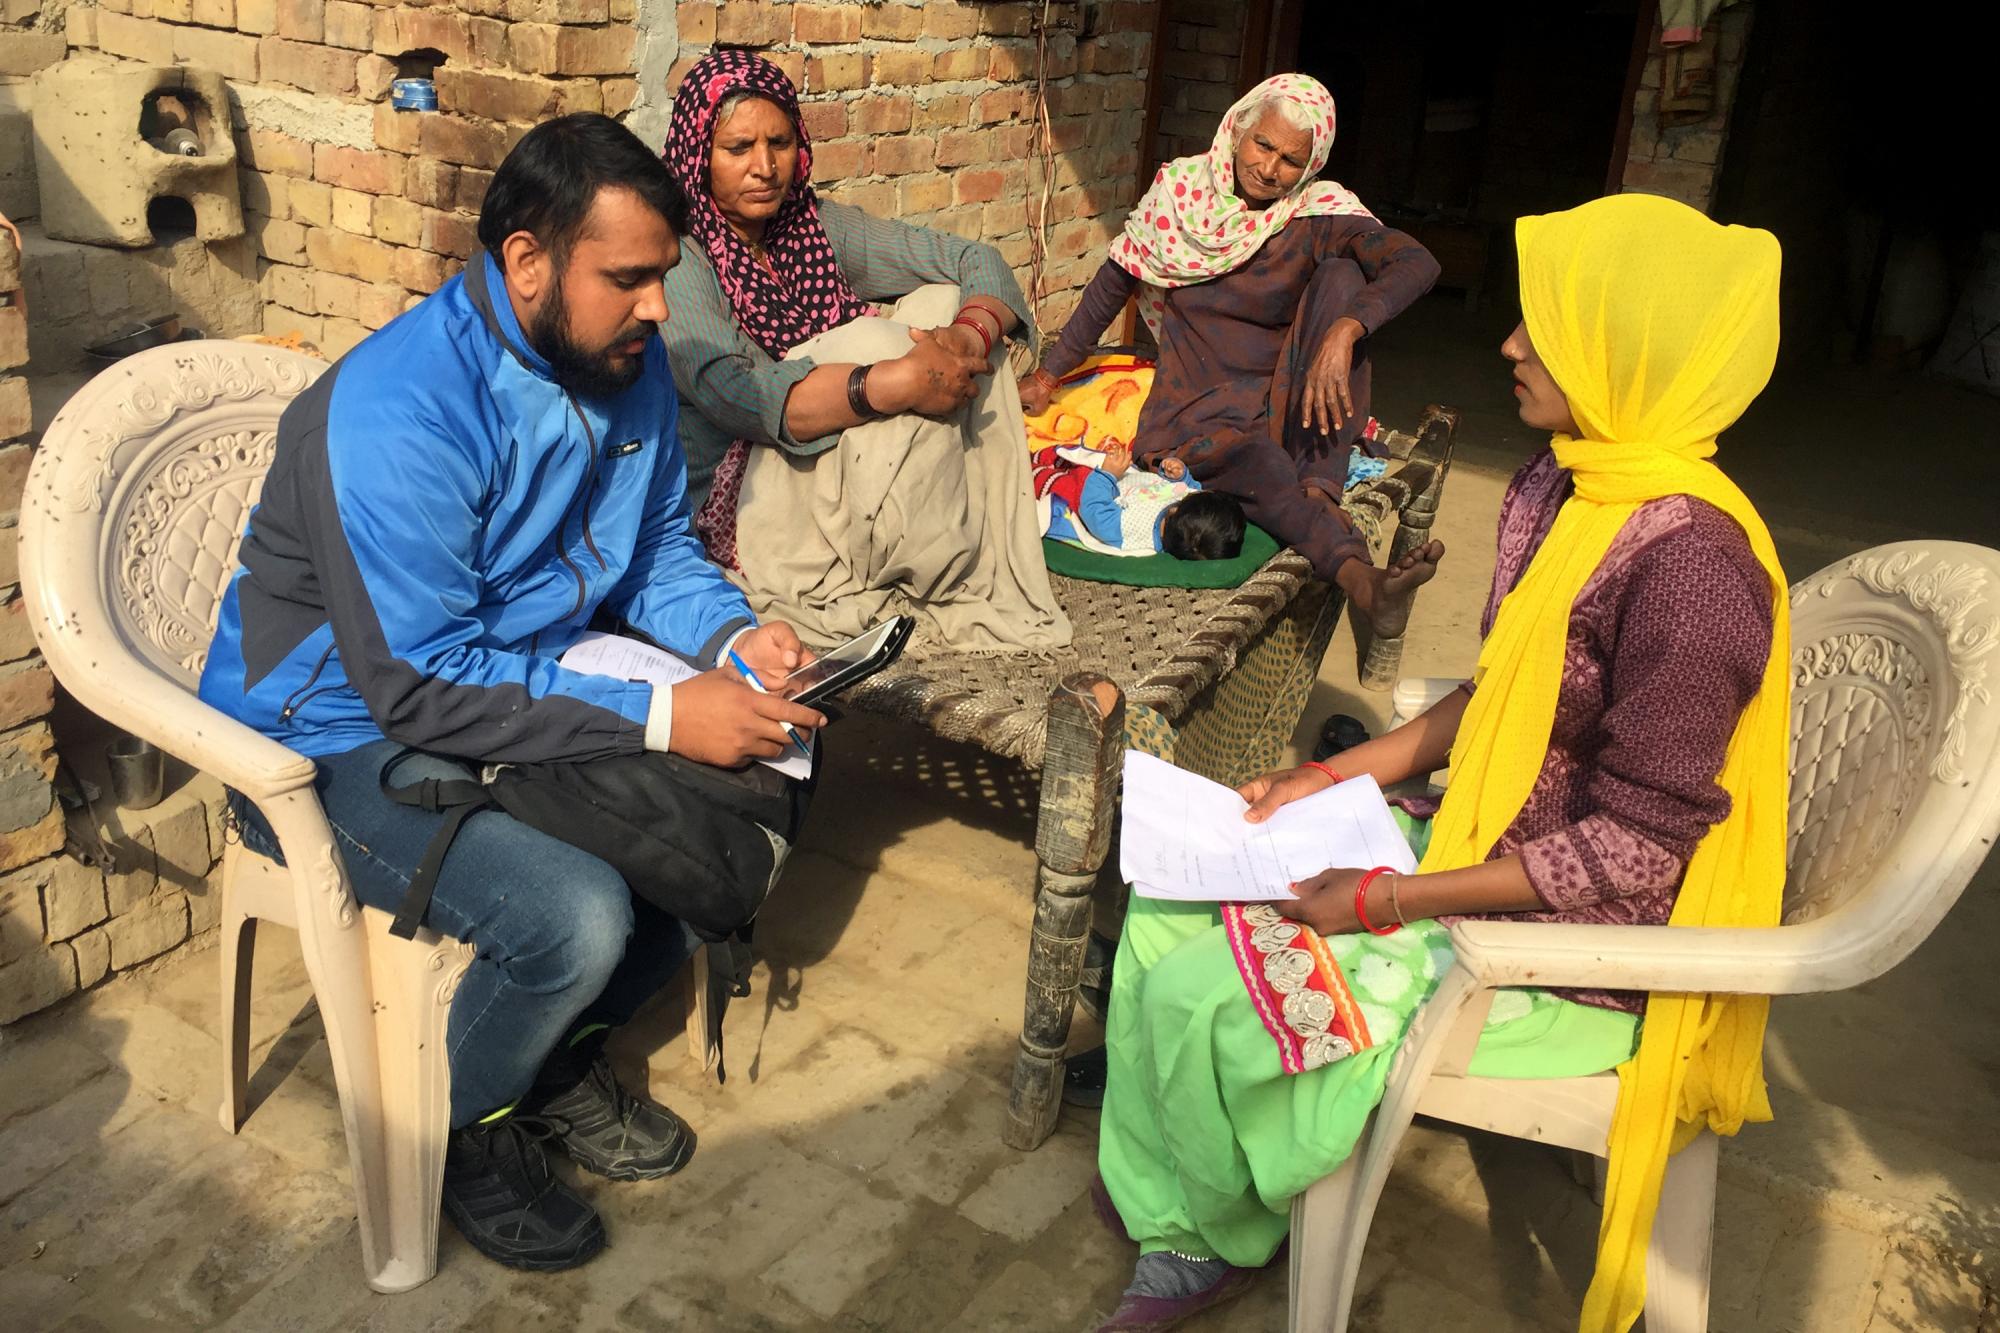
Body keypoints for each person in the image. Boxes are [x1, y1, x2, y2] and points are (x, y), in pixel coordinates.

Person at [1088, 192, 1791, 1331]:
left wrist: (1382, 897)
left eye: (1541, 330)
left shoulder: (1694, 577)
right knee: (1168, 907)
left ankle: (1206, 1235)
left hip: (1573, 949)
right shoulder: (1572, 483)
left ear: (1627, 351)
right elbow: (1498, 699)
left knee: (1210, 988)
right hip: (1478, 833)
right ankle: (1183, 1194)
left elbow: (1632, 850)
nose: (1507, 344)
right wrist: (1323, 780)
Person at [198, 114, 829, 1273]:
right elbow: (422, 683)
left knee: (725, 832)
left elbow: (650, 557)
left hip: (521, 684)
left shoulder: (626, 366)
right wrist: (659, 712)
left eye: (662, 279)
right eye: (627, 279)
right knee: (573, 914)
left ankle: (544, 1064)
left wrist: (736, 639)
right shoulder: (401, 411)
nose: (656, 309)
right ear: (526, 259)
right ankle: (464, 1126)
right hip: (327, 737)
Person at [659, 50, 1070, 653]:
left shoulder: (813, 227)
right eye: (738, 148)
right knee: (877, 337)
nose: (765, 167)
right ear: (699, 153)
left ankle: (932, 549)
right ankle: (923, 551)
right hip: (748, 486)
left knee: (942, 302)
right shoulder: (681, 258)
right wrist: (890, 380)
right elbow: (739, 396)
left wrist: (962, 340)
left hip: (844, 467)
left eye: (779, 142)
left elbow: (974, 260)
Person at [1020, 74, 1445, 638]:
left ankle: (1318, 484)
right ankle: (1359, 576)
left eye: (1292, 160)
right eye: (1263, 145)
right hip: (1197, 414)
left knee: (1346, 277)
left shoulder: (1313, 214)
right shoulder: (1179, 197)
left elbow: (1417, 263)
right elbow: (1110, 285)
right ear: (1237, 128)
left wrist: (1347, 328)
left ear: (1312, 164)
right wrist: (1048, 376)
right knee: (1265, 469)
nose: (1270, 169)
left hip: (1288, 404)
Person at [1034, 441, 1247, 560]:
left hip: (1085, 494)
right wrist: (1179, 475)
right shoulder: (1186, 515)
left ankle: (1028, 465)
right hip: (1118, 477)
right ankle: (1039, 456)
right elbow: (1187, 488)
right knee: (1064, 454)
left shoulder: (1133, 530)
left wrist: (1106, 475)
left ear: (1175, 511)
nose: (1195, 490)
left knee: (1043, 480)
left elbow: (1096, 513)